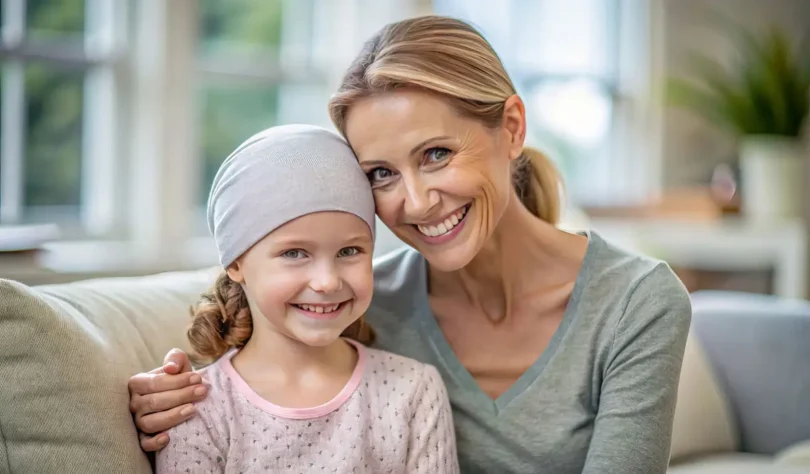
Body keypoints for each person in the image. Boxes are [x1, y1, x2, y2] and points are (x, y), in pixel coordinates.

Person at [129, 16, 692, 474]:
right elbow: (267, 382)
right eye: (380, 173)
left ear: (513, 127)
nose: (417, 202)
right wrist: (172, 393)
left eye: (437, 154)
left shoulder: (636, 303)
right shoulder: (364, 300)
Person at [155, 124, 458, 473]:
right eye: (295, 253)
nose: (328, 281)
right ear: (236, 262)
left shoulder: (413, 391)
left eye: (350, 250)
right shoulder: (197, 409)